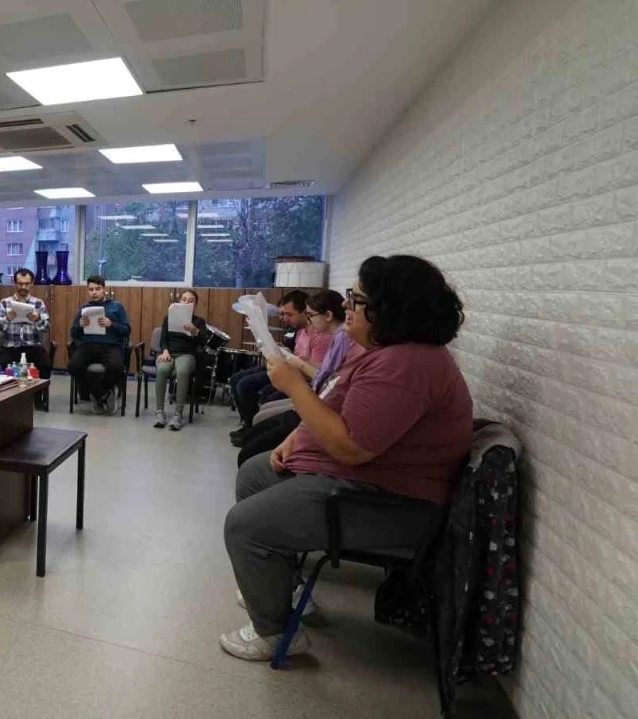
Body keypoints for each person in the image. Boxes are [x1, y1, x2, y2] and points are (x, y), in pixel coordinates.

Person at [220, 255, 472, 662]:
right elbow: (337, 405)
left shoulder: (406, 365)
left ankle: (275, 631)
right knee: (254, 473)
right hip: (364, 480)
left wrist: (294, 387)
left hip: (388, 502)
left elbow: (351, 447)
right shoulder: (384, 352)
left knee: (244, 525)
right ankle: (281, 584)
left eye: (356, 299)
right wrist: (297, 437)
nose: (346, 306)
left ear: (390, 308)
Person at [234, 290, 355, 462]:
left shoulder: (340, 336)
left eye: (310, 315)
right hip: (315, 393)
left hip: (316, 397)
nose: (309, 320)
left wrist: (299, 364)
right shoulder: (336, 335)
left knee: (256, 404)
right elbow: (326, 373)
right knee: (251, 394)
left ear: (328, 315)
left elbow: (327, 380)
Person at [228, 290, 332, 444]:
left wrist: (292, 360)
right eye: (282, 314)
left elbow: (316, 374)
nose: (284, 318)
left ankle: (254, 429)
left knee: (248, 386)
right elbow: (298, 356)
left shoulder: (321, 336)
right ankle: (249, 425)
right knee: (236, 379)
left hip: (299, 377)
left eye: (288, 314)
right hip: (290, 368)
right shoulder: (301, 332)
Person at [68, 275, 131, 415]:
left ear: (104, 289)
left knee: (116, 367)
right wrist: (80, 326)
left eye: (97, 289)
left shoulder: (116, 306)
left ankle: (100, 393)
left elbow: (127, 330)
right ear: (88, 290)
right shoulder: (84, 308)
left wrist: (111, 324)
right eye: (91, 290)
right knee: (73, 366)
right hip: (88, 344)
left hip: (111, 345)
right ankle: (102, 394)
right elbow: (73, 333)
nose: (94, 292)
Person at [152, 289, 211, 431]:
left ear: (195, 305)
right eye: (184, 299)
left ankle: (178, 414)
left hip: (187, 354)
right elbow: (163, 338)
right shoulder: (168, 318)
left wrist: (195, 331)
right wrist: (165, 350)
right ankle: (159, 412)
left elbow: (205, 342)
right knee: (162, 369)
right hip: (169, 353)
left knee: (182, 371)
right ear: (179, 301)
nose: (186, 302)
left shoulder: (199, 321)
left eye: (191, 301)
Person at [0, 268, 52, 408]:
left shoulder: (38, 303)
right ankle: (7, 398)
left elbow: (46, 328)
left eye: (27, 284)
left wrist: (37, 319)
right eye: (20, 283)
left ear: (31, 283)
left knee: (45, 364)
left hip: (32, 345)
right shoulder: (5, 303)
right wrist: (7, 319)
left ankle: (37, 396)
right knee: (3, 365)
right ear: (15, 283)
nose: (23, 287)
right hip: (10, 346)